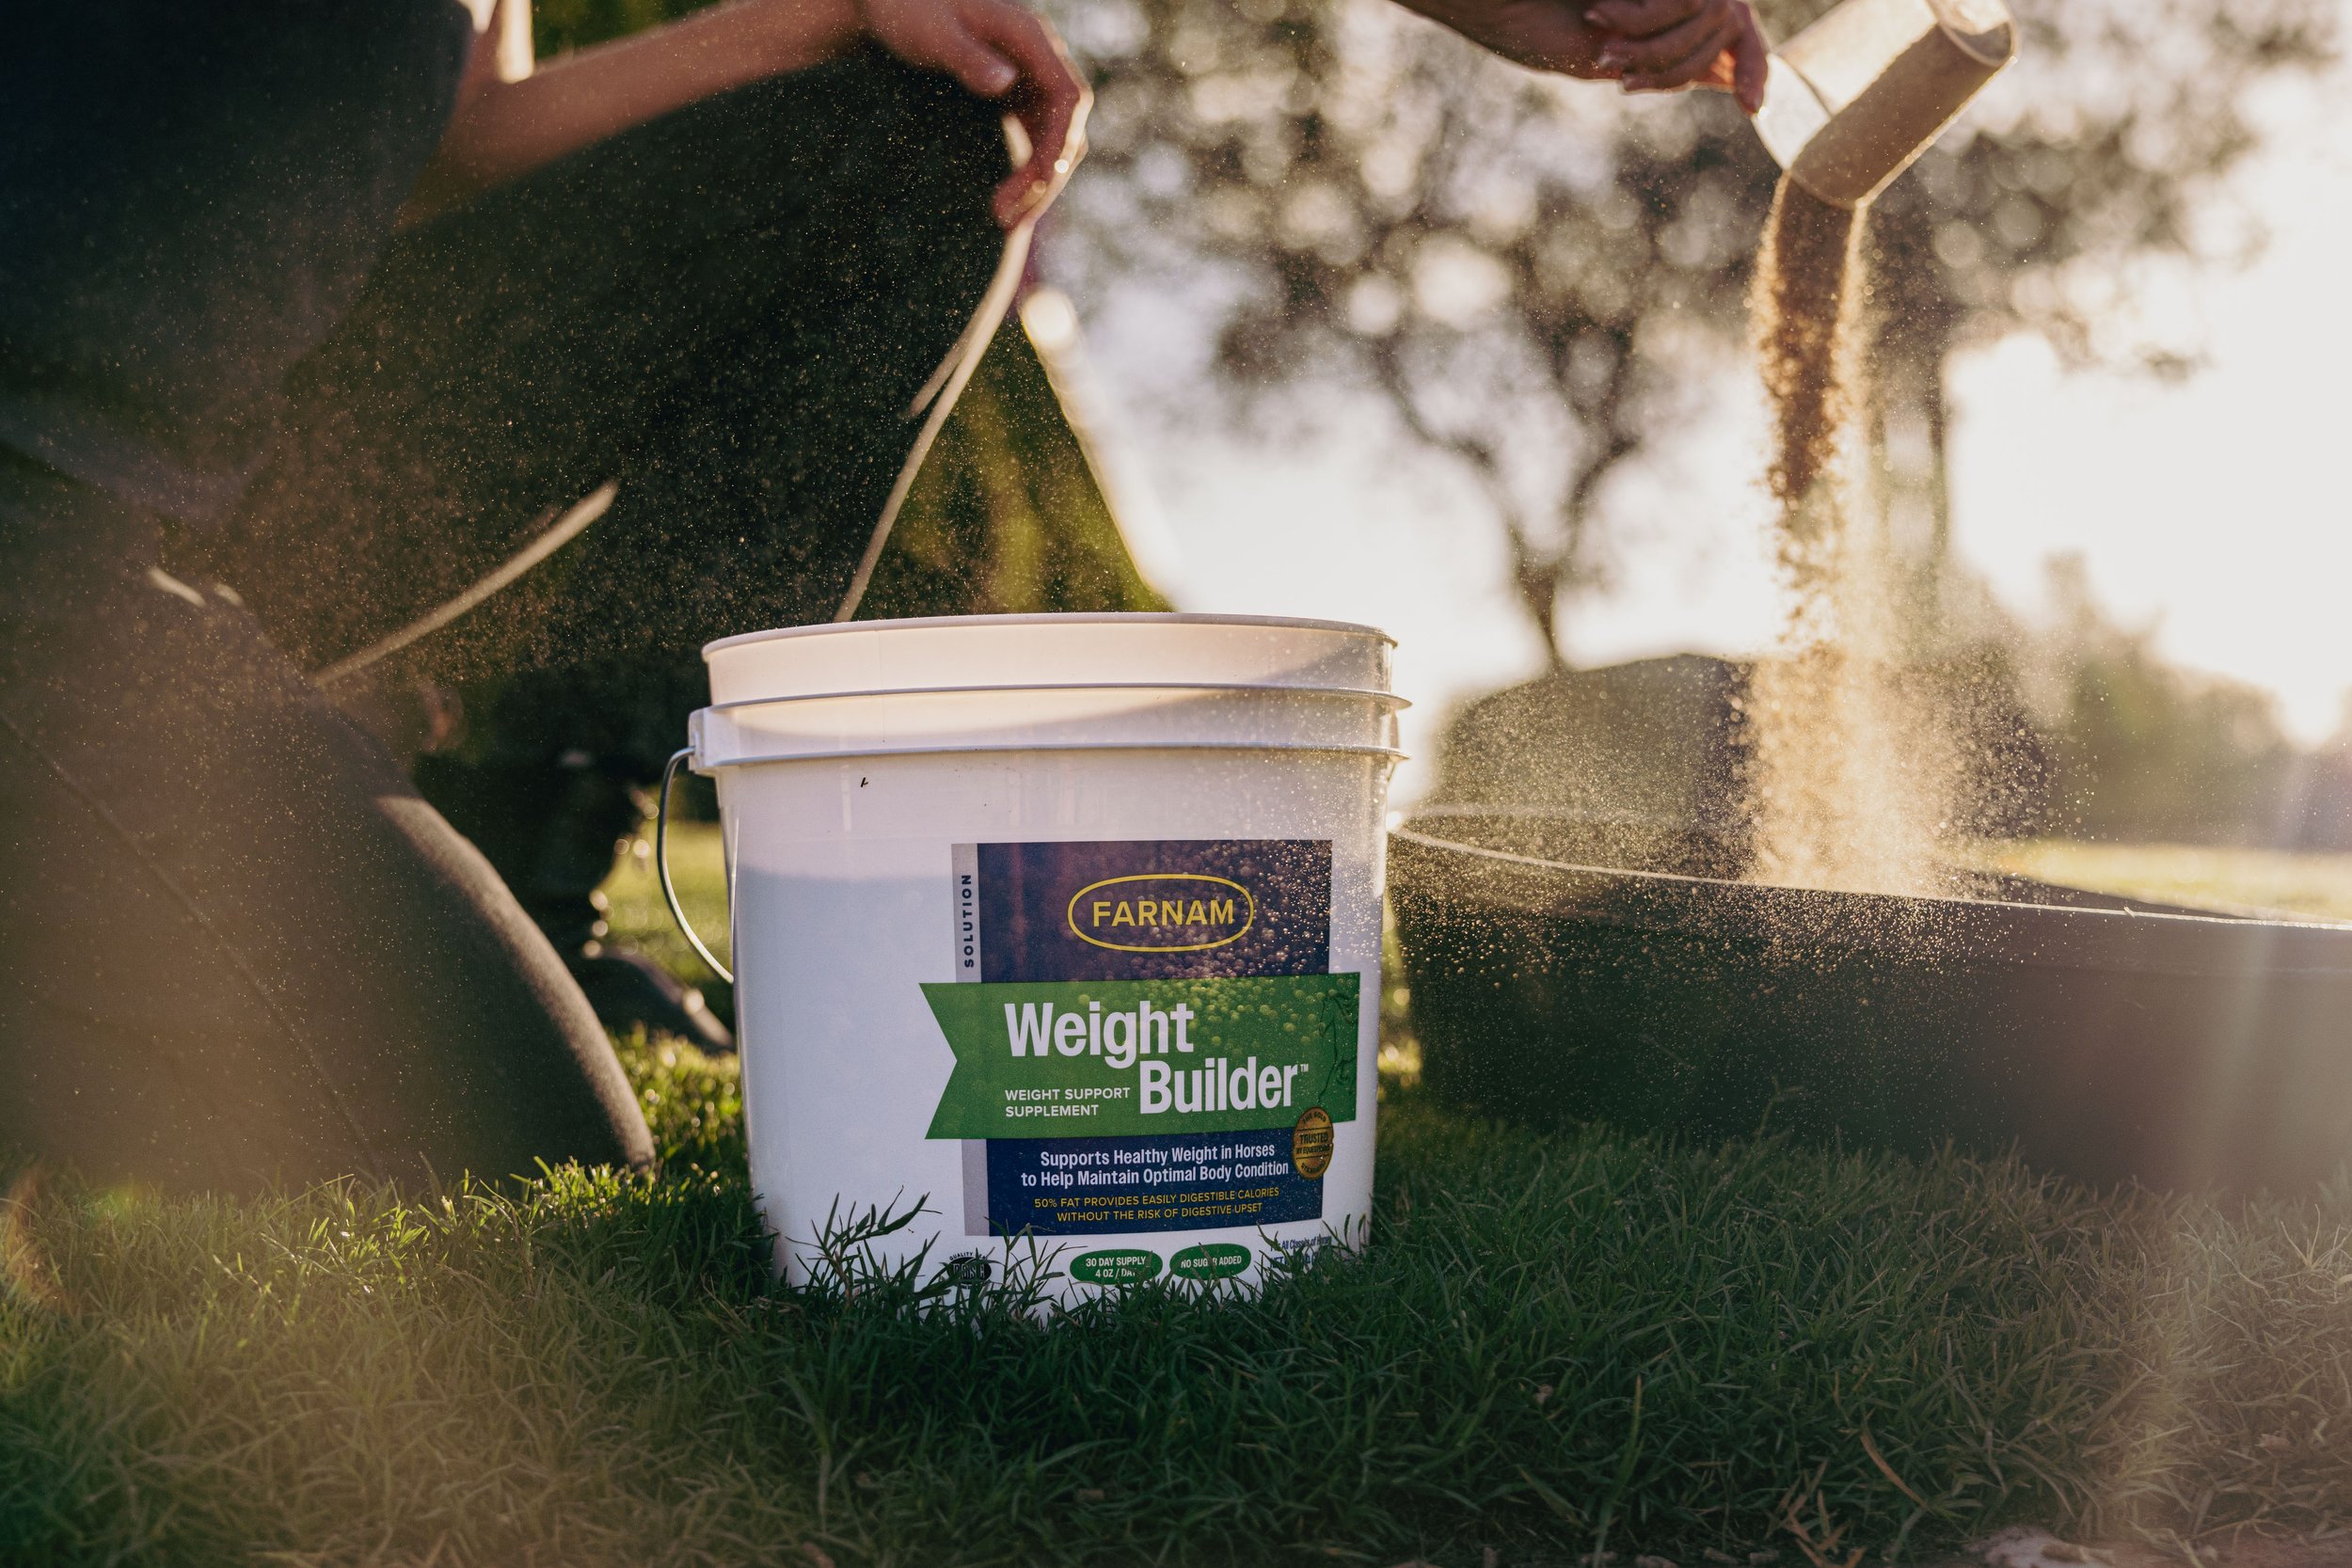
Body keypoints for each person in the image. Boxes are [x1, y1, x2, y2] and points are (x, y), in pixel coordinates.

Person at [0, 0, 1764, 1195]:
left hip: (218, 493)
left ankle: (541, 855)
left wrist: (842, 10)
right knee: (507, 1147)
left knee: (915, 130)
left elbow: (457, 133)